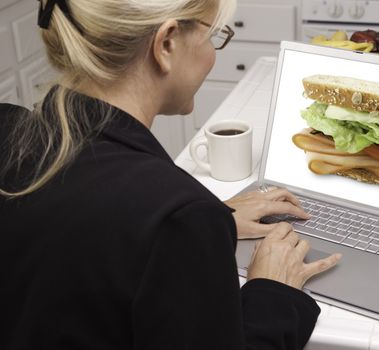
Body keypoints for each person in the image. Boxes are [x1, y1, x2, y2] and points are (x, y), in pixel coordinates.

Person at [0, 1, 341, 349]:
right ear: (166, 44)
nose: (212, 54)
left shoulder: (8, 129)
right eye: (213, 37)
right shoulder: (178, 215)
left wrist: (189, 228)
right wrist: (273, 291)